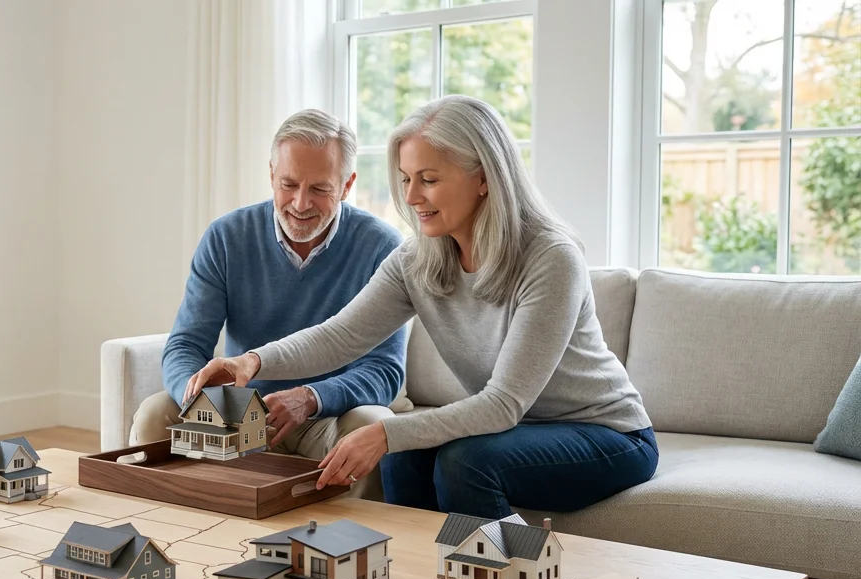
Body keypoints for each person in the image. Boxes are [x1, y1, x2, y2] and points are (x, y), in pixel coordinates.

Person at [181, 95, 658, 519]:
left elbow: (504, 405)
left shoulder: (550, 258)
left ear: (484, 179)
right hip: (514, 430)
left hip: (606, 436)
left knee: (461, 462)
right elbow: (340, 336)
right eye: (407, 179)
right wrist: (251, 361)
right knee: (404, 454)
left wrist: (388, 432)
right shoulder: (417, 258)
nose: (410, 197)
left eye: (428, 179)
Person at [131, 108, 409, 499]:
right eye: (288, 184)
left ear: (347, 185)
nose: (300, 203)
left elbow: (384, 372)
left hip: (328, 416)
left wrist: (310, 399)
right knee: (154, 414)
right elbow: (186, 345)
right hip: (240, 411)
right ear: (271, 175)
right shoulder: (227, 237)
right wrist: (206, 404)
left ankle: (345, 544)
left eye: (320, 189)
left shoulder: (382, 247)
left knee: (372, 424)